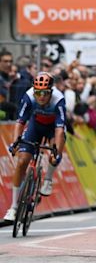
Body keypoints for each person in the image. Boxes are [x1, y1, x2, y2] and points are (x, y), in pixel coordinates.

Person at [3, 72, 66, 221]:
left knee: (55, 154)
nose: (41, 96)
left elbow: (59, 129)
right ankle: (13, 207)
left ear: (51, 91)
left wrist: (56, 149)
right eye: (38, 93)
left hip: (53, 128)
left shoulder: (59, 99)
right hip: (35, 126)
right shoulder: (29, 96)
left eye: (45, 93)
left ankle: (48, 179)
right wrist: (16, 141)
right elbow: (20, 122)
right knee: (22, 162)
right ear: (34, 91)